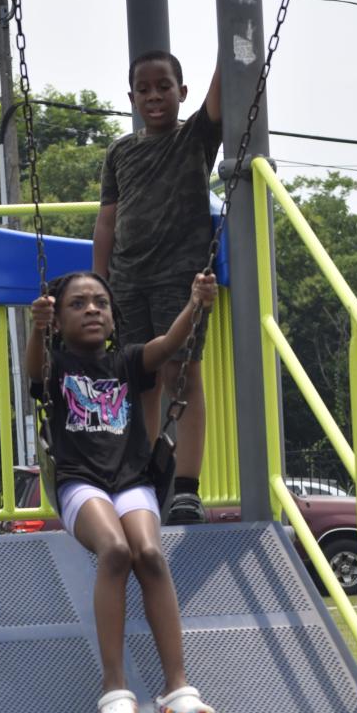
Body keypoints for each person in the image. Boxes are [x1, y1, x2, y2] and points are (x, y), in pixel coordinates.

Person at [26, 270, 218, 713]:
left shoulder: (130, 361)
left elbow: (172, 343)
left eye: (100, 303)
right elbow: (32, 371)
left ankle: (177, 688)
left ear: (114, 317)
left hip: (132, 479)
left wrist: (197, 303)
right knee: (114, 551)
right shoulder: (55, 367)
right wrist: (36, 327)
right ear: (57, 318)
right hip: (78, 483)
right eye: (77, 304)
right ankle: (114, 689)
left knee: (150, 554)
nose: (92, 309)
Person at [92, 49, 222, 524]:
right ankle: (144, 480)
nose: (154, 96)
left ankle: (186, 489)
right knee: (138, 379)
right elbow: (107, 220)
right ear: (131, 98)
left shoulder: (195, 138)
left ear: (181, 92)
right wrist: (99, 283)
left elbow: (220, 94)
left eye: (163, 87)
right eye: (143, 89)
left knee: (181, 375)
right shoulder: (121, 152)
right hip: (127, 279)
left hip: (180, 278)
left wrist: (235, 35)